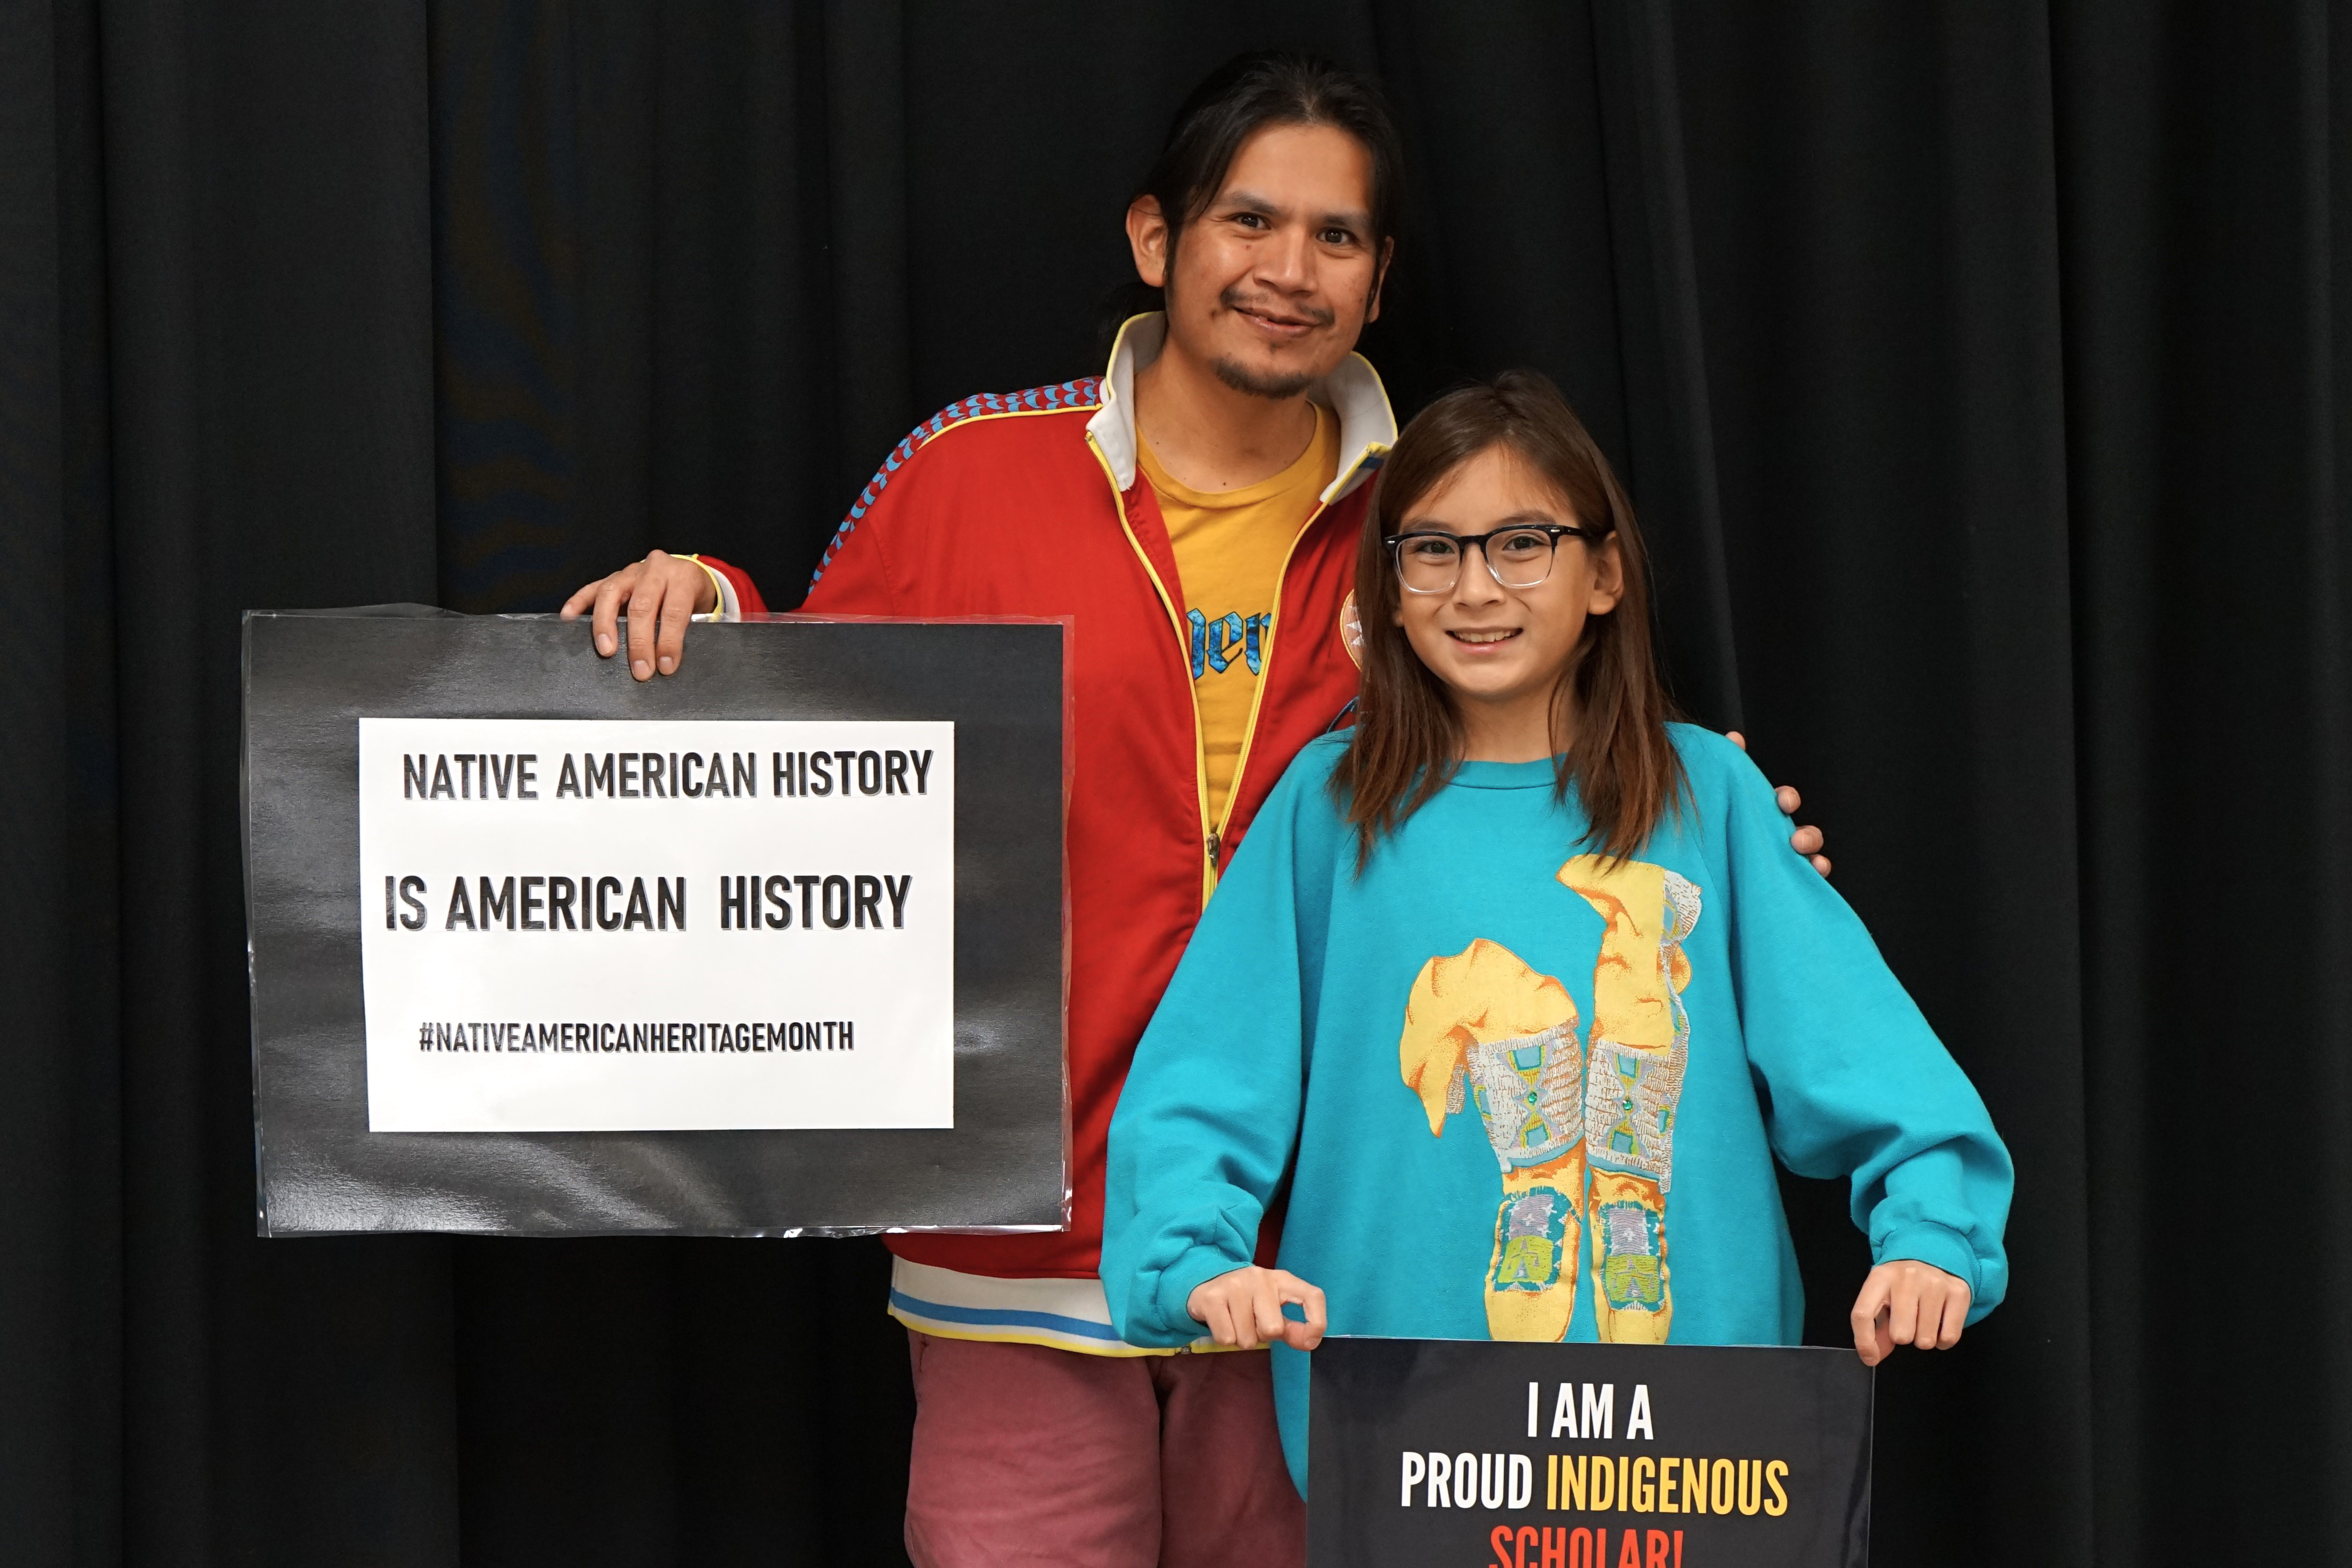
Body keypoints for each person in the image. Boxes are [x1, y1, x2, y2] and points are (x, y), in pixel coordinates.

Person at [558, 53, 1827, 1568]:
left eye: (1336, 238)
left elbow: (1553, 773)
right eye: (1249, 221)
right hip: (1015, 1243)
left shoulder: (1434, 516)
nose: (1289, 271)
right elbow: (815, 749)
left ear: (1379, 279)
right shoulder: (972, 474)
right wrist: (707, 606)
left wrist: (1727, 849)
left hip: (1330, 1247)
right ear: (1156, 240)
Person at [1100, 371, 2013, 1496]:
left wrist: (1929, 1235)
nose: (1473, 587)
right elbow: (1206, 1076)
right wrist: (1193, 1261)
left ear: (1604, 573)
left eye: (1520, 542)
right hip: (1414, 1443)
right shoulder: (1327, 811)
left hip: (1694, 1450)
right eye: (1430, 549)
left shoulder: (1709, 798)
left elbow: (1870, 1061)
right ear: (1384, 589)